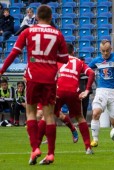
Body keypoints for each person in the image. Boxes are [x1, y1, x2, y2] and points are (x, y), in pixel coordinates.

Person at [0, 5, 69, 165]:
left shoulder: (27, 32)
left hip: (32, 77)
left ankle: (35, 148)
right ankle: (50, 153)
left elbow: (14, 53)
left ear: (36, 17)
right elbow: (65, 59)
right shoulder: (57, 34)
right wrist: (50, 58)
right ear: (51, 18)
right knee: (49, 115)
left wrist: (2, 70)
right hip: (50, 79)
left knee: (30, 113)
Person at [54, 43, 95, 154]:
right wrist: (87, 90)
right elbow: (91, 73)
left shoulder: (57, 60)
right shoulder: (79, 61)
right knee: (80, 118)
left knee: (49, 114)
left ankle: (38, 147)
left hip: (59, 91)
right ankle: (88, 148)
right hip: (73, 92)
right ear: (73, 52)